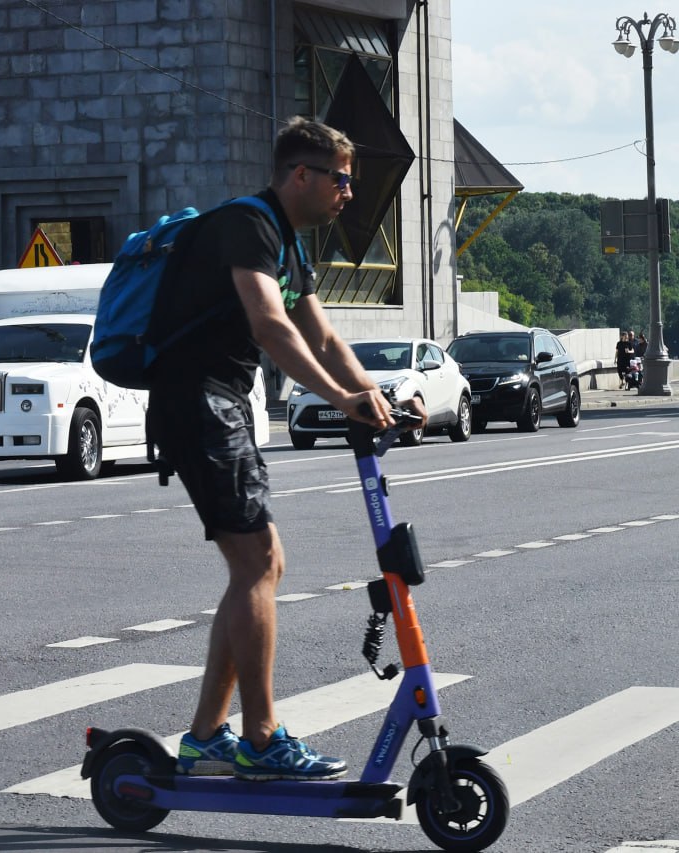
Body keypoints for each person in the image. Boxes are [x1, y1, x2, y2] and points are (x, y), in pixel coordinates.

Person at [146, 117, 424, 782]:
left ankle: (208, 735)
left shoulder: (289, 246)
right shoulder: (250, 225)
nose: (349, 193)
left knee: (260, 566)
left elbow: (323, 337)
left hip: (219, 402)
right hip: (198, 399)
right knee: (258, 562)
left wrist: (378, 397)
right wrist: (337, 398)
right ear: (301, 174)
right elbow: (269, 323)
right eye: (341, 179)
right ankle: (260, 737)